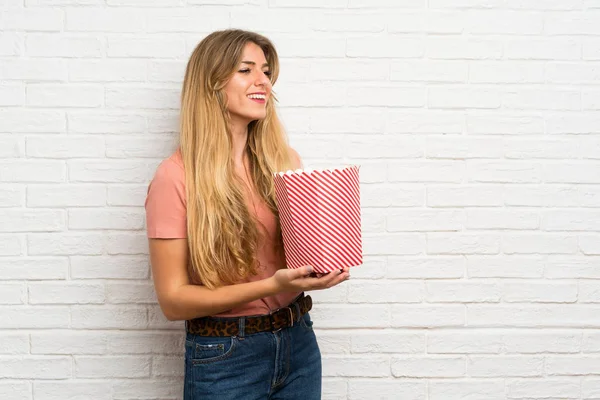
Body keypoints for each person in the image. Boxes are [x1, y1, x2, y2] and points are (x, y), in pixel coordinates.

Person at [144, 29, 350, 400]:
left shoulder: (284, 163)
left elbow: (297, 255)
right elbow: (173, 301)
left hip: (298, 342)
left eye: (267, 71)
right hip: (225, 358)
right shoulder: (174, 177)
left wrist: (325, 260)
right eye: (246, 70)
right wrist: (274, 285)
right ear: (211, 83)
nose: (263, 82)